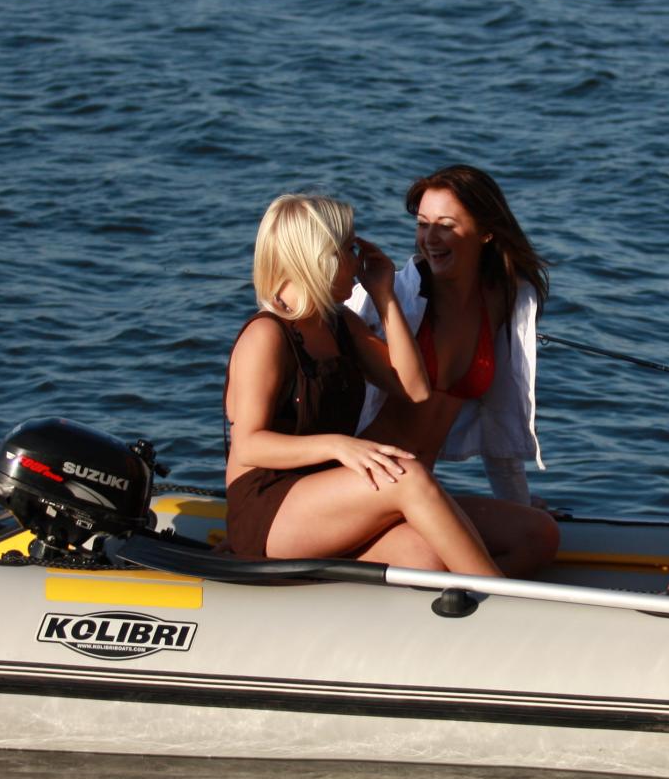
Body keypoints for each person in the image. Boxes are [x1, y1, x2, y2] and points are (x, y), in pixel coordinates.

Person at [222, 193, 502, 577]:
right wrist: (339, 445)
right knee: (407, 474)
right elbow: (249, 445)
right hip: (267, 509)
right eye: (350, 250)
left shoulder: (339, 324)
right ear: (320, 258)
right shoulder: (266, 335)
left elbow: (415, 389)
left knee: (428, 557)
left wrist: (384, 297)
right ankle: (500, 595)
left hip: (328, 494)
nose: (358, 262)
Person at [346, 165, 558, 576]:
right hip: (364, 486)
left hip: (422, 494)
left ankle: (469, 595)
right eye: (423, 224)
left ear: (486, 232)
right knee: (431, 560)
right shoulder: (387, 299)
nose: (430, 238)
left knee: (539, 536)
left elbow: (500, 418)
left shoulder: (501, 299)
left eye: (445, 226)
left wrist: (516, 505)